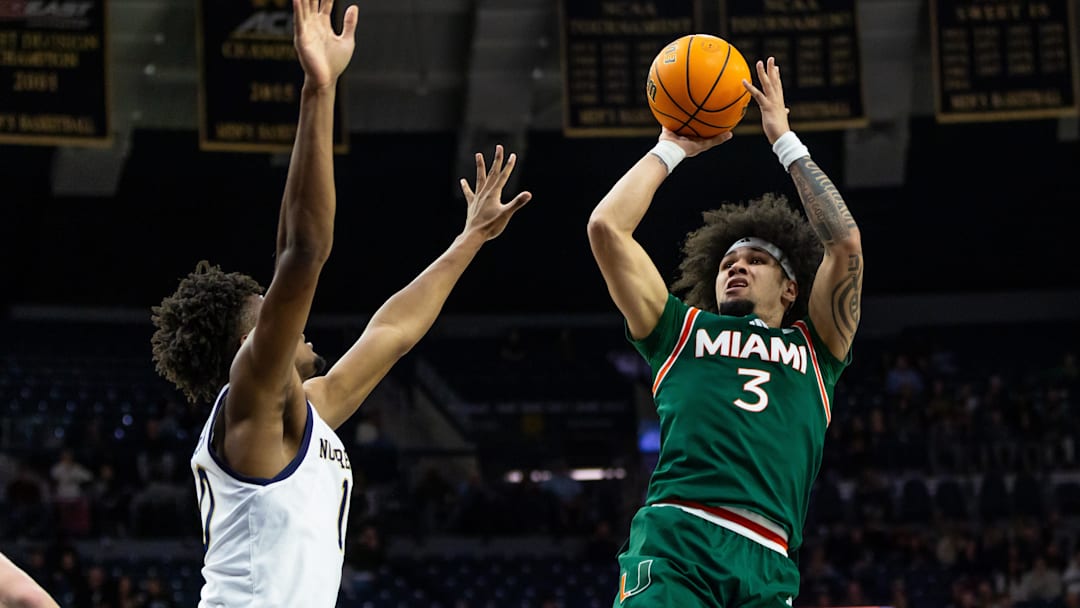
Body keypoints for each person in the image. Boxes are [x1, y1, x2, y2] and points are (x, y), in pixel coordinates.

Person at [149, 0, 532, 605]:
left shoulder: (303, 411)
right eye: (264, 305)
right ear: (243, 341)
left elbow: (393, 330)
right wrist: (318, 91)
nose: (289, 316)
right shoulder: (251, 390)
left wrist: (470, 240)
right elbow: (301, 253)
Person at [587, 56, 863, 607]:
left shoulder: (819, 350)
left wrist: (784, 140)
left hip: (769, 557)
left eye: (757, 260)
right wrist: (672, 146)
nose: (735, 267)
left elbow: (845, 245)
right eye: (727, 262)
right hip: (677, 539)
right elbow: (606, 228)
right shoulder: (680, 331)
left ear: (792, 289)